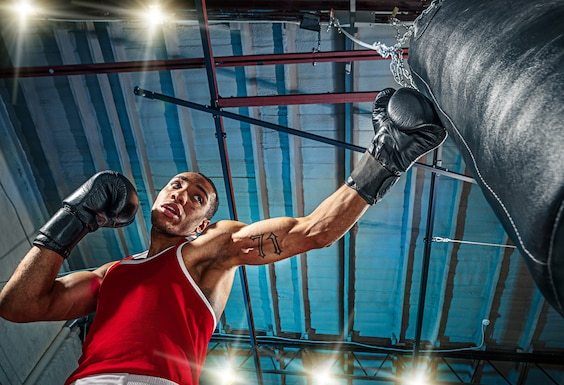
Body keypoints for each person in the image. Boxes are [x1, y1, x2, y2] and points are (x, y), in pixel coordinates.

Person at [0, 87, 447, 385]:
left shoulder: (207, 252)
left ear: (203, 225)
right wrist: (73, 217)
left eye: (198, 198)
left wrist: (384, 156)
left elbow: (314, 231)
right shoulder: (109, 273)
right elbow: (17, 306)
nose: (182, 194)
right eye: (177, 184)